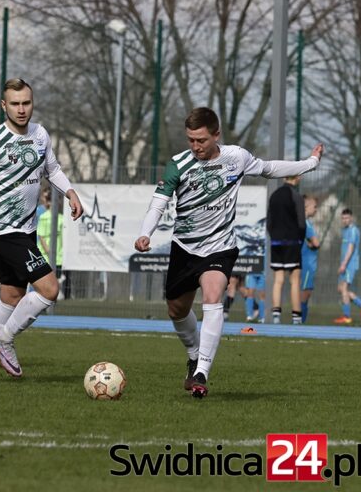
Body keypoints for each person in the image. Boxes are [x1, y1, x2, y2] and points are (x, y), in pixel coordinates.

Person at [134, 107, 323, 399]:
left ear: (216, 135)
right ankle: (194, 354)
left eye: (201, 140)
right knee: (176, 309)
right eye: (190, 140)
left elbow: (270, 168)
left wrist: (310, 163)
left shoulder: (236, 157)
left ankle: (202, 373)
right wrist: (145, 232)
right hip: (185, 248)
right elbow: (159, 203)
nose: (195, 146)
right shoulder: (178, 165)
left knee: (213, 296)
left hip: (221, 247)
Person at [0, 78, 84, 380]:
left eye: (26, 102)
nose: (21, 109)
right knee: (50, 289)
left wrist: (70, 192)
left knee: (12, 295)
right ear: (4, 106)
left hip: (25, 230)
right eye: (15, 104)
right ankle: (5, 337)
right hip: (3, 232)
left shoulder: (40, 134)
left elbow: (51, 169)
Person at [267, 175, 305, 324]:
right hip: (292, 242)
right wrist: (299, 241)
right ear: (297, 177)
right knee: (294, 280)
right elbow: (302, 223)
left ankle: (276, 315)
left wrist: (274, 237)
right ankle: (296, 317)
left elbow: (269, 221)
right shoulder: (296, 196)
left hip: (276, 242)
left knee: (278, 279)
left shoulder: (274, 195)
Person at [333, 208, 361, 324]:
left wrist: (343, 264)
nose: (345, 220)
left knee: (344, 288)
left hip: (350, 265)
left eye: (347, 218)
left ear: (351, 218)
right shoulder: (345, 230)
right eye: (343, 218)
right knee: (341, 289)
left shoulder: (353, 230)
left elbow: (351, 248)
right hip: (345, 264)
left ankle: (347, 316)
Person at [37, 189, 70, 300]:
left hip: (59, 257)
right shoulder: (43, 217)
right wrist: (48, 251)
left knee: (59, 281)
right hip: (46, 256)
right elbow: (41, 236)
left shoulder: (62, 219)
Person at [300, 195, 320, 323]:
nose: (316, 210)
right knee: (305, 293)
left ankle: (302, 321)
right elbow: (316, 243)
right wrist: (312, 244)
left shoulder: (306, 222)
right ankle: (300, 321)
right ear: (306, 207)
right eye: (315, 207)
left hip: (309, 263)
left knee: (307, 292)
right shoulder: (306, 223)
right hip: (307, 263)